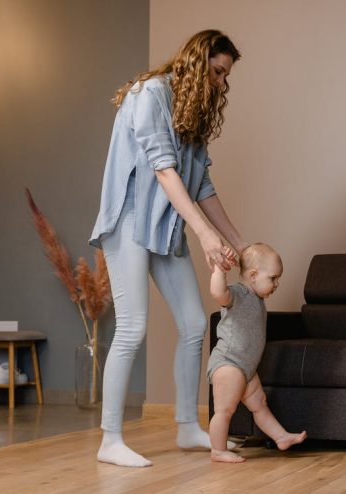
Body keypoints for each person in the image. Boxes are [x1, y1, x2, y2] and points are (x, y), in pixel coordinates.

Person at [89, 30, 249, 467]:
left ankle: (185, 426)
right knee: (133, 326)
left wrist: (240, 244)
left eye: (225, 76)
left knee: (195, 323)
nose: (221, 83)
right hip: (127, 221)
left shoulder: (192, 112)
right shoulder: (149, 95)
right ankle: (110, 439)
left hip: (164, 226)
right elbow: (163, 170)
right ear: (198, 63)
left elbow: (202, 186)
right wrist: (204, 235)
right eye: (217, 72)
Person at [207, 243, 307, 463]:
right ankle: (218, 450)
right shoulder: (239, 293)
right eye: (273, 278)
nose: (277, 284)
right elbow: (218, 293)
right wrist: (219, 270)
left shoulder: (257, 300)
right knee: (225, 410)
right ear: (253, 275)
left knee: (259, 404)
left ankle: (281, 437)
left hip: (247, 368)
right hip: (229, 363)